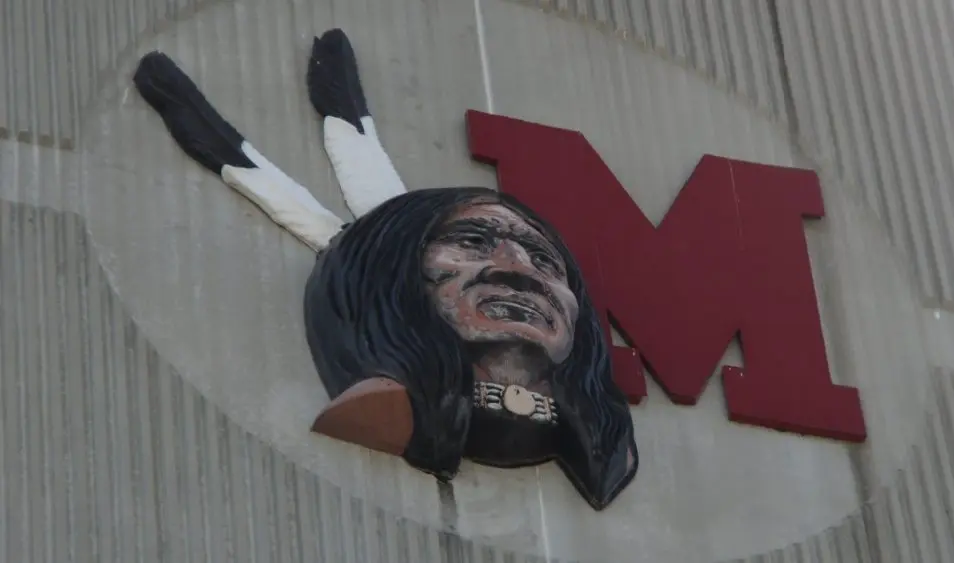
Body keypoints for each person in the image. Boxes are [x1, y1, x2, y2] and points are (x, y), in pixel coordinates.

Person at [133, 28, 637, 510]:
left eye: (544, 259)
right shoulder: (380, 410)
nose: (518, 269)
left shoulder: (600, 442)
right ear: (397, 281)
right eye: (472, 242)